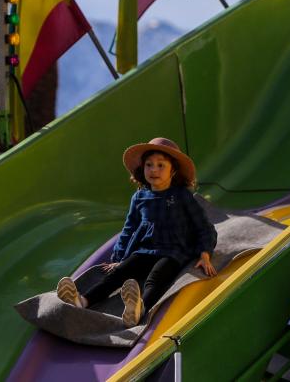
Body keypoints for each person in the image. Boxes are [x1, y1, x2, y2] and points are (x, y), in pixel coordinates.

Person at [55, 137, 218, 327]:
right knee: (118, 274)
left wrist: (205, 253)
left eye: (160, 165)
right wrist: (118, 258)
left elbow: (204, 227)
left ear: (173, 170)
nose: (154, 170)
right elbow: (129, 229)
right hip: (145, 250)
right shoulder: (140, 197)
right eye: (149, 165)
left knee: (155, 278)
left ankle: (140, 308)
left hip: (174, 252)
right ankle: (83, 301)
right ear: (142, 169)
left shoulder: (181, 196)